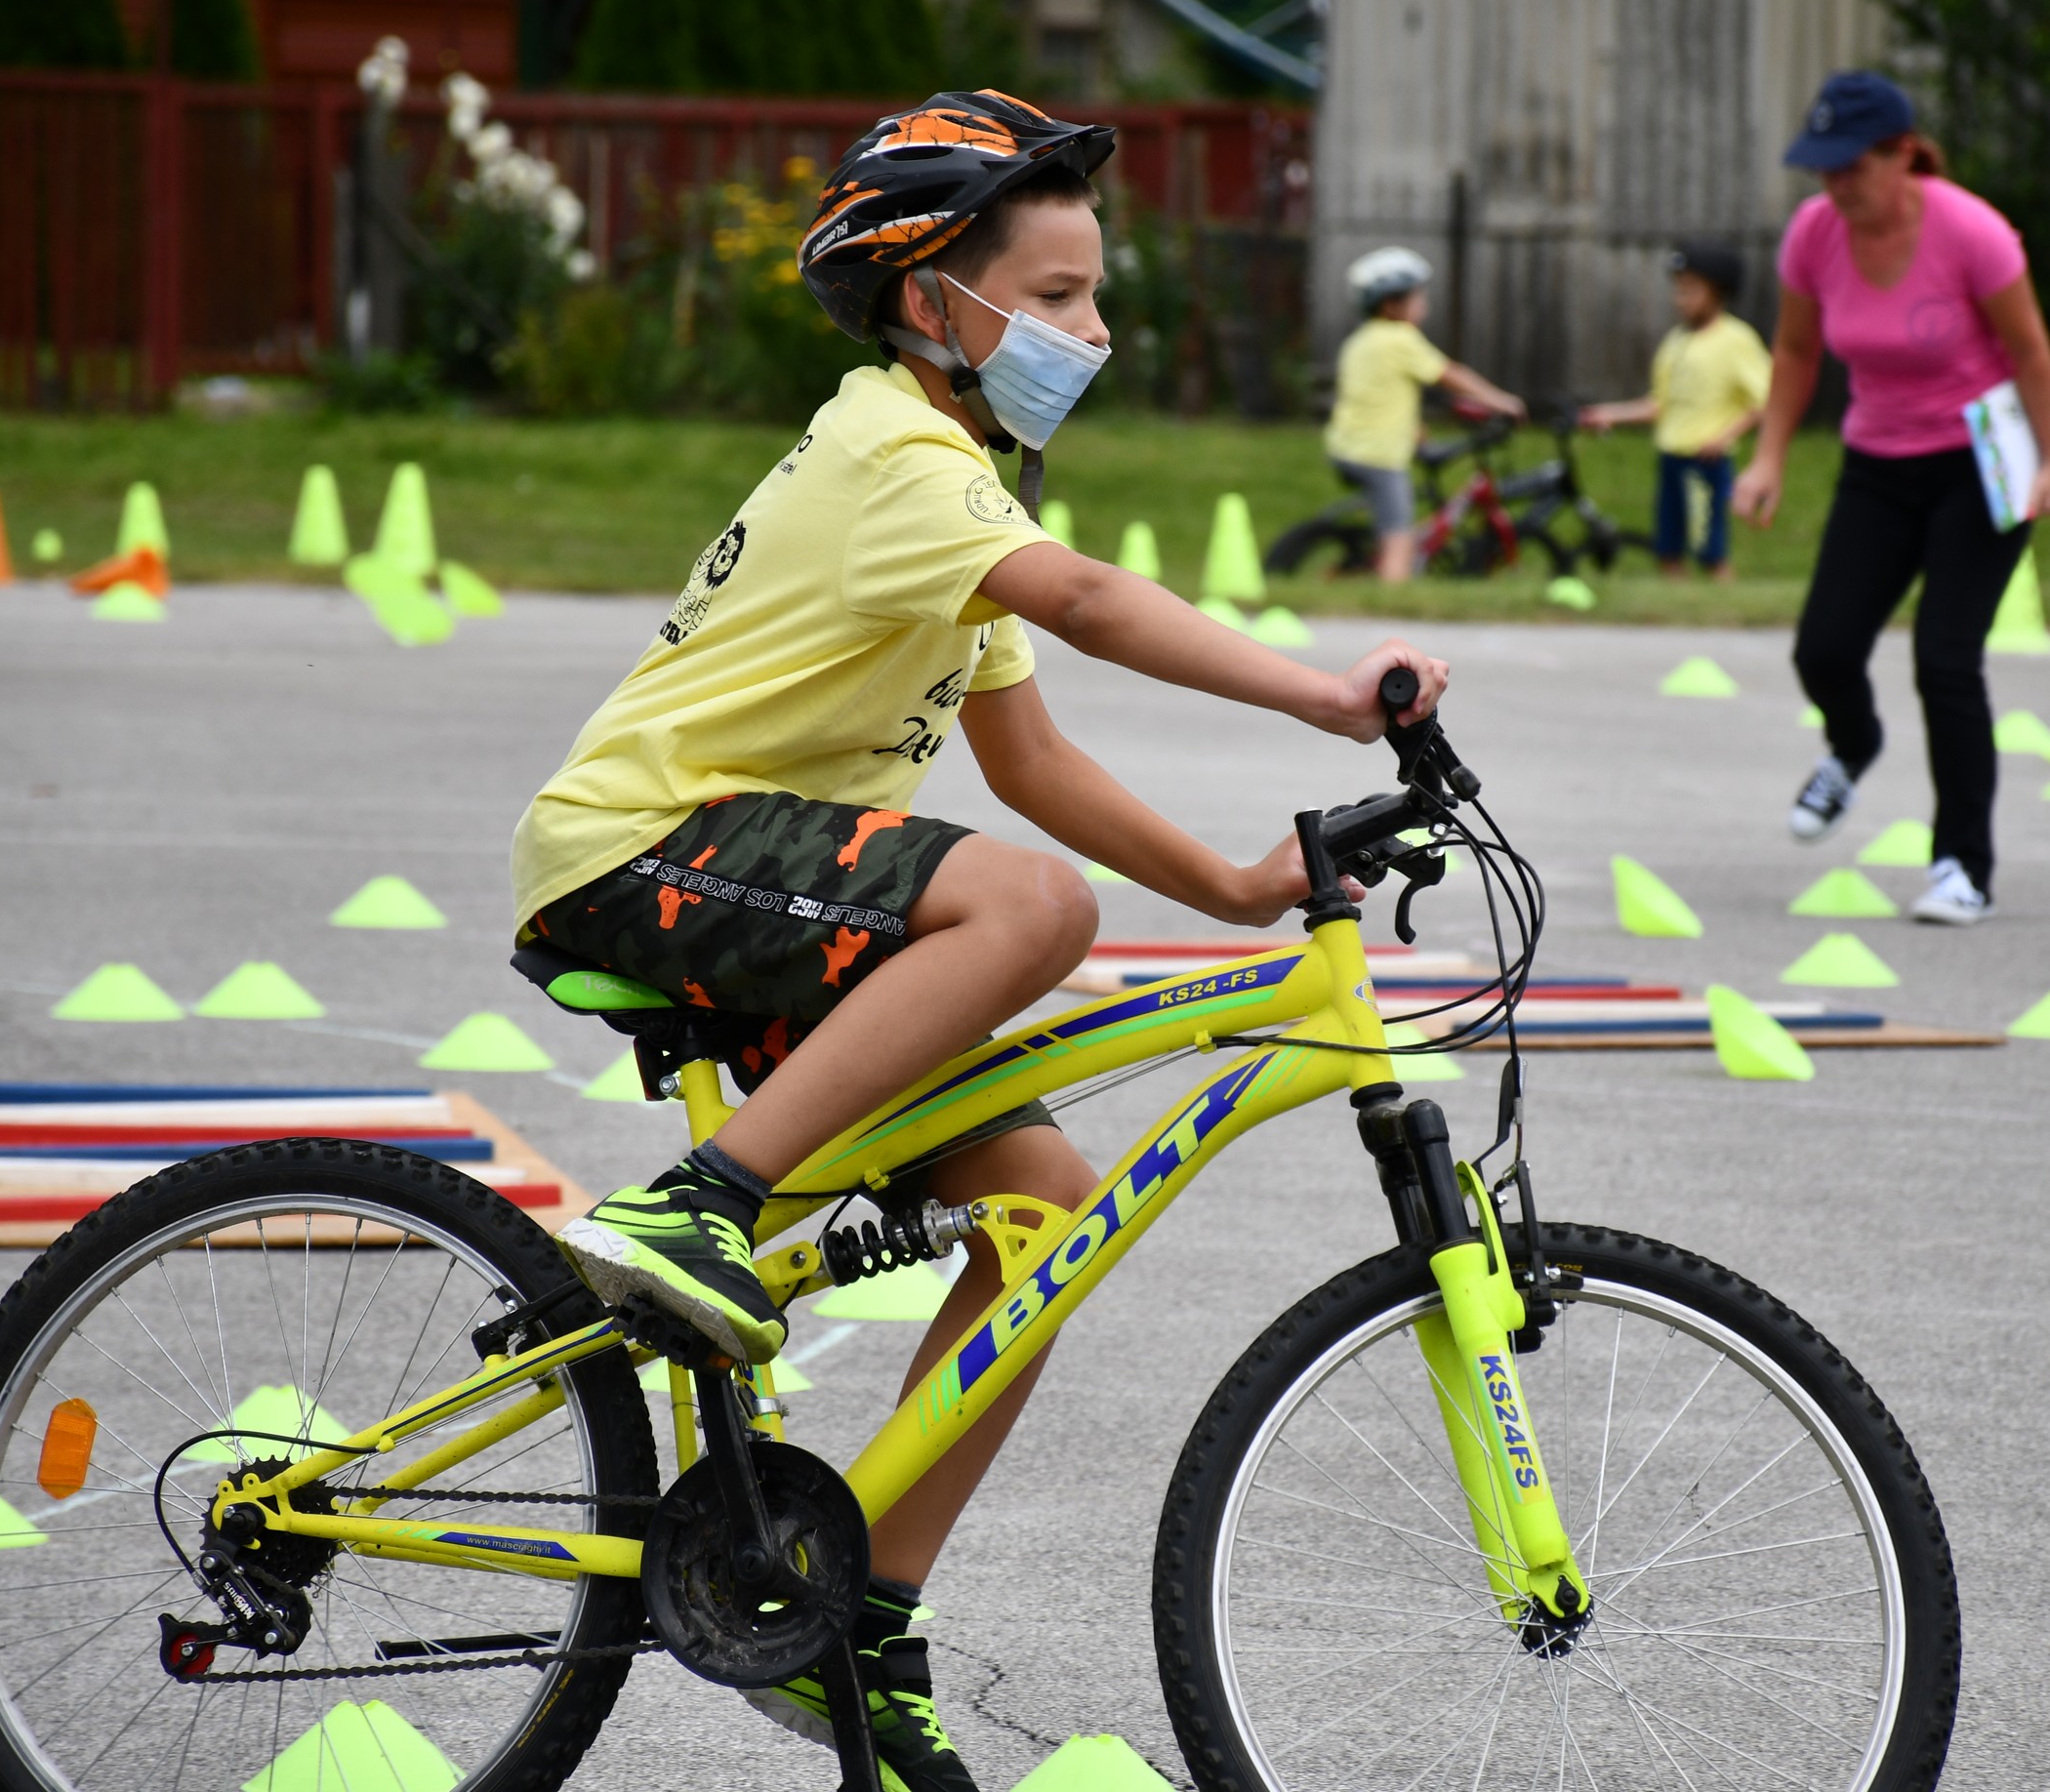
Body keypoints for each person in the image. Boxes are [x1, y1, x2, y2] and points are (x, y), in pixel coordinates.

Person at [508, 91, 1450, 1792]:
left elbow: (1031, 754)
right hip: (640, 852)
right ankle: (697, 1206)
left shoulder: (954, 488)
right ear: (932, 297)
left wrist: (1237, 893)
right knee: (1022, 905)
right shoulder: (895, 453)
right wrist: (1322, 691)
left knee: (1037, 1224)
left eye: (1098, 294)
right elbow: (1084, 605)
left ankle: (854, 1610)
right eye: (1061, 294)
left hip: (763, 885)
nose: (1096, 330)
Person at [1730, 70, 2050, 926]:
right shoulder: (1814, 235)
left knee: (1946, 661)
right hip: (1878, 464)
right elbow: (1798, 353)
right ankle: (1854, 746)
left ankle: (1962, 865)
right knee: (1824, 651)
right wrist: (1769, 457)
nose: (1836, 185)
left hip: (1979, 465)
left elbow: (2031, 354)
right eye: (1824, 169)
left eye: (1852, 167)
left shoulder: (1972, 232)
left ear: (1902, 154)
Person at [1322, 246, 1527, 582]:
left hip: (1347, 447)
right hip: (1379, 454)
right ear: (1390, 304)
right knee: (1398, 535)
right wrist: (1502, 401)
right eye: (1417, 297)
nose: (1424, 304)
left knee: (1395, 518)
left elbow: (1372, 392)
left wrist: (1413, 427)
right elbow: (1450, 375)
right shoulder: (1400, 339)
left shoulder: (1360, 341)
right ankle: (1393, 602)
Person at [1578, 243, 1772, 578]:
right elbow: (1659, 405)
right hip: (1671, 456)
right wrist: (1609, 414)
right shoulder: (1676, 343)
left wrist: (1722, 437)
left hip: (1706, 461)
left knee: (1709, 550)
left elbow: (1765, 403)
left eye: (1693, 290)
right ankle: (1680, 606)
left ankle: (1722, 605)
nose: (1682, 299)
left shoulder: (1736, 340)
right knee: (1668, 547)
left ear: (1718, 292)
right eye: (1679, 291)